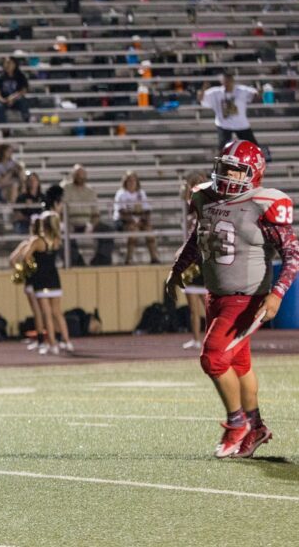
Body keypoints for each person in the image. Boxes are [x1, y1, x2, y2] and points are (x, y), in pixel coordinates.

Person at [165, 140, 297, 458]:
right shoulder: (205, 196)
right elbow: (199, 236)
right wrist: (178, 268)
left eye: (237, 171)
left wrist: (277, 295)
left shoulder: (263, 204)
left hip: (247, 297)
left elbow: (292, 254)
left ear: (255, 174)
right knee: (238, 364)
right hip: (216, 294)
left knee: (212, 358)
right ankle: (257, 427)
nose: (228, 176)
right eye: (225, 168)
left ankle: (236, 424)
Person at [23, 203, 74, 355]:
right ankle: (67, 341)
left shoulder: (37, 241)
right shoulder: (57, 240)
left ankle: (53, 344)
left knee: (46, 314)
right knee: (58, 313)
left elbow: (25, 257)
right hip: (54, 278)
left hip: (41, 279)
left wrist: (32, 266)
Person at [198, 72, 263, 158]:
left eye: (229, 81)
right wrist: (203, 89)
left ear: (233, 81)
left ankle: (257, 162)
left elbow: (255, 96)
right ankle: (222, 166)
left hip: (241, 124)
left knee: (253, 147)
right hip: (224, 124)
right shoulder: (216, 92)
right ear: (223, 82)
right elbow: (201, 99)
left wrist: (259, 93)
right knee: (223, 149)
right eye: (225, 82)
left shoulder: (242, 90)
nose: (227, 84)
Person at [10, 212, 48, 352]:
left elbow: (12, 260)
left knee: (37, 311)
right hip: (39, 280)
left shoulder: (26, 243)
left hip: (29, 281)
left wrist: (21, 271)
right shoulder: (42, 242)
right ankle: (43, 341)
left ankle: (42, 340)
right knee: (42, 312)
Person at [179, 171, 209, 350]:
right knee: (192, 303)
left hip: (201, 256)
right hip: (189, 256)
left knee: (207, 302)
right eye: (194, 182)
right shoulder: (189, 203)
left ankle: (213, 337)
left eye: (200, 182)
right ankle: (196, 339)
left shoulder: (206, 202)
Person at [113, 170, 160, 264]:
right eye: (129, 180)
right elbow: (121, 212)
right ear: (125, 182)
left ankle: (154, 257)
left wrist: (141, 219)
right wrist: (134, 220)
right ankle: (128, 258)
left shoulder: (141, 193)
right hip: (123, 221)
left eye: (133, 180)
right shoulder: (121, 194)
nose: (131, 183)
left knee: (149, 230)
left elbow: (147, 210)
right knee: (133, 230)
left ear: (137, 182)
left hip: (140, 219)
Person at [0, 56, 30, 125]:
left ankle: (27, 120)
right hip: (4, 100)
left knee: (23, 101)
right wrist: (2, 100)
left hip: (16, 99)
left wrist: (13, 98)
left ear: (15, 64)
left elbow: (23, 90)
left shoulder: (20, 76)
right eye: (6, 63)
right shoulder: (0, 76)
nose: (8, 65)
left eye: (10, 63)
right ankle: (4, 128)